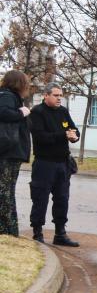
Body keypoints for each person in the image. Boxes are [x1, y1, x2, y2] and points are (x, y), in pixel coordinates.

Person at [28, 83, 80, 246]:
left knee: (62, 198)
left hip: (62, 163)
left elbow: (74, 129)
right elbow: (40, 137)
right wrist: (63, 135)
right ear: (46, 95)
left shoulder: (63, 111)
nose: (59, 99)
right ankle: (37, 234)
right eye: (56, 95)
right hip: (44, 163)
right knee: (40, 198)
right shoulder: (37, 112)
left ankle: (60, 233)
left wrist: (74, 136)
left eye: (61, 96)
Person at [0, 70, 32, 237]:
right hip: (8, 152)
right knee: (5, 192)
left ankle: (10, 231)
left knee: (7, 191)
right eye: (25, 82)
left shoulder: (10, 96)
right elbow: (3, 112)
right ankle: (6, 231)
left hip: (10, 153)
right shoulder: (7, 96)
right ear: (18, 83)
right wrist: (22, 112)